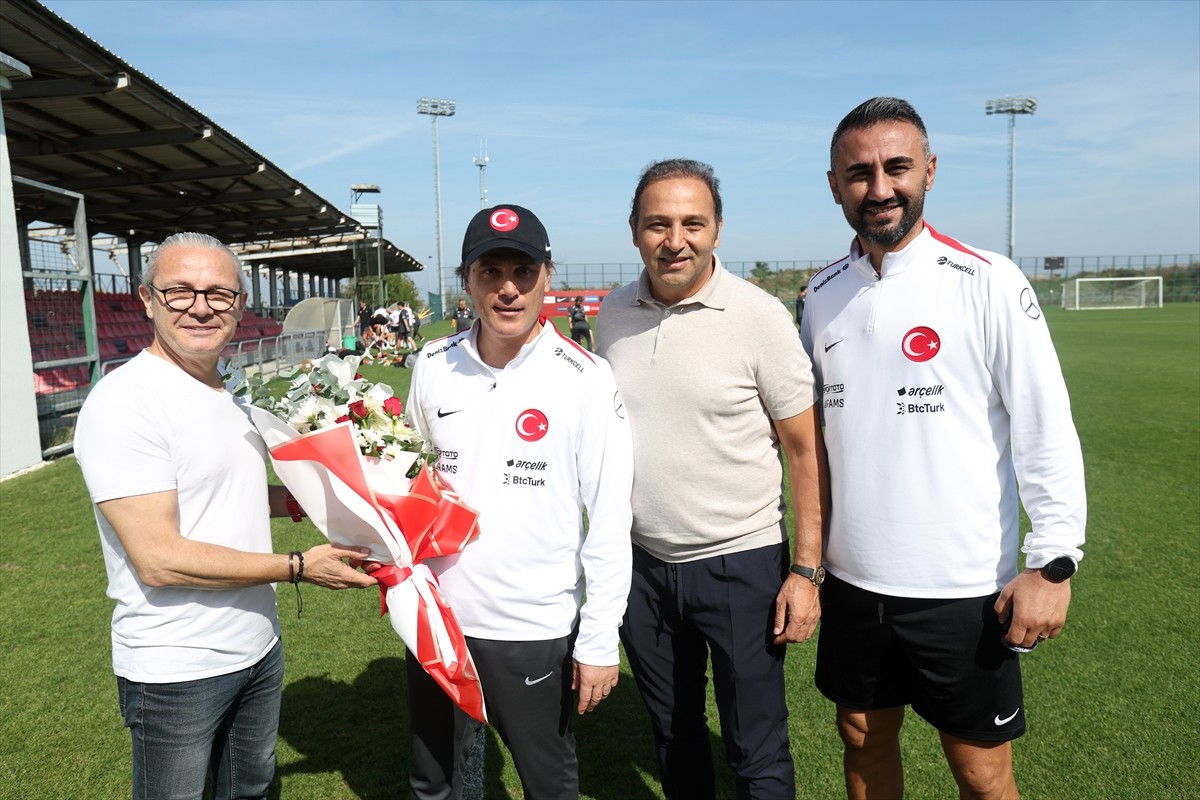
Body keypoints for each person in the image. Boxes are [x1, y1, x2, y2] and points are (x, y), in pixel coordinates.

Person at [803, 97, 1086, 800]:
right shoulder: (820, 293)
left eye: (896, 167)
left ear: (928, 170)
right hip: (854, 582)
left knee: (982, 772)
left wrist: (1053, 562)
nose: (880, 188)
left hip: (961, 588)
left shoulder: (988, 280)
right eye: (858, 173)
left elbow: (1045, 425)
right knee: (863, 739)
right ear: (835, 184)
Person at [74, 232, 378, 800]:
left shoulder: (221, 389)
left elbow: (219, 489)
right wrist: (297, 566)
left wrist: (315, 499)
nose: (200, 307)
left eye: (219, 293)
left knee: (250, 790)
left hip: (257, 645)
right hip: (177, 666)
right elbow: (159, 560)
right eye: (180, 291)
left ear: (240, 304)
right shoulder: (126, 402)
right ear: (146, 299)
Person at [596, 159, 827, 800]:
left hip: (741, 565)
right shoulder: (612, 315)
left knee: (755, 750)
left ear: (718, 230)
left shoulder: (759, 315)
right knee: (674, 734)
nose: (676, 240)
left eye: (693, 222)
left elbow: (805, 452)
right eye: (658, 224)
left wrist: (806, 574)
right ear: (635, 231)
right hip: (642, 567)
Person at [405, 204, 634, 800]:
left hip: (532, 626)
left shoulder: (585, 377)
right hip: (437, 620)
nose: (507, 289)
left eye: (523, 272)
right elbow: (409, 485)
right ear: (467, 281)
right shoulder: (432, 364)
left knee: (547, 783)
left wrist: (599, 637)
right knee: (434, 781)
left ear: (547, 278)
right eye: (490, 272)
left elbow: (609, 519)